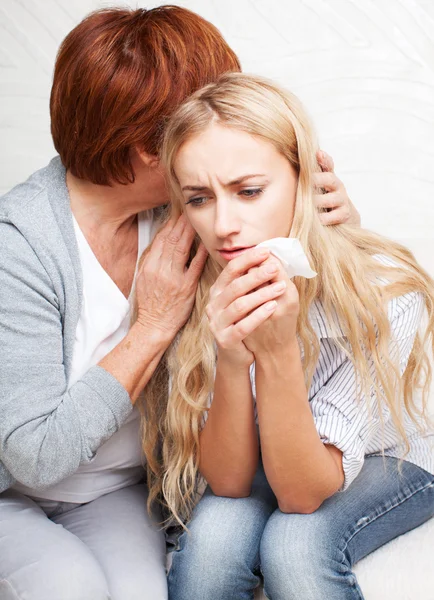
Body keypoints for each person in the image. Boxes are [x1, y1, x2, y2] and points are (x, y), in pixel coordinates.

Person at [0, 7, 357, 600]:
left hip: (114, 493)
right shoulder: (20, 248)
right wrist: (153, 326)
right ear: (149, 150)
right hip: (14, 489)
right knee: (69, 586)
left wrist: (331, 222)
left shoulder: (188, 207)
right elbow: (34, 458)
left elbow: (273, 216)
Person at [139, 73, 434, 600]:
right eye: (199, 199)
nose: (225, 224)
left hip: (391, 454)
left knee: (295, 544)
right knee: (212, 540)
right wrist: (231, 359)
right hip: (263, 457)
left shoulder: (384, 290)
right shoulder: (199, 283)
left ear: (307, 182)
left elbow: (301, 495)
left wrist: (275, 354)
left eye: (249, 191)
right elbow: (229, 484)